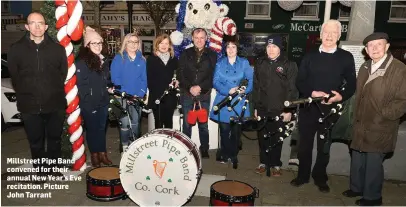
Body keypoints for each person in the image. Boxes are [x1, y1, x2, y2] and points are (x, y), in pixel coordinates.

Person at [292, 19, 356, 192]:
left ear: (339, 36)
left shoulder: (346, 57)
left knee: (324, 147)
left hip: (330, 109)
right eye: (326, 32)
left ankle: (320, 177)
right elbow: (300, 81)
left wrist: (339, 97)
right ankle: (302, 176)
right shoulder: (309, 56)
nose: (329, 36)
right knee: (304, 145)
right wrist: (312, 93)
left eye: (333, 32)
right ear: (320, 35)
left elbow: (352, 84)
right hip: (309, 108)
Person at [342, 33, 406, 206]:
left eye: (379, 44)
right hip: (360, 123)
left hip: (380, 125)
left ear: (387, 47)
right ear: (366, 49)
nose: (375, 48)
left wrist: (385, 114)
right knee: (357, 158)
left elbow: (403, 101)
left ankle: (373, 197)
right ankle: (356, 188)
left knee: (372, 164)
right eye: (371, 45)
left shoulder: (399, 69)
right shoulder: (365, 66)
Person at [8, 12, 67, 177]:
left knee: (54, 140)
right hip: (29, 106)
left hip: (54, 104)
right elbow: (15, 76)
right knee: (36, 142)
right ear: (27, 26)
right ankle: (41, 172)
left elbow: (62, 73)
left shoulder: (57, 49)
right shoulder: (16, 49)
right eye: (33, 23)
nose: (37, 26)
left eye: (40, 23)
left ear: (46, 26)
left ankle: (54, 169)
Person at [252, 34, 299, 176]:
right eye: (268, 46)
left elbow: (293, 89)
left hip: (280, 109)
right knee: (262, 136)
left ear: (280, 48)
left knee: (277, 137)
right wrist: (255, 107)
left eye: (274, 46)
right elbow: (256, 87)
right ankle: (263, 162)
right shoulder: (260, 63)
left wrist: (288, 109)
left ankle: (275, 164)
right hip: (262, 108)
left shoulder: (289, 65)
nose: (271, 49)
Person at [209, 40, 253, 168]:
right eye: (228, 47)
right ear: (225, 49)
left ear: (237, 49)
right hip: (223, 100)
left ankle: (233, 155)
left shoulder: (244, 63)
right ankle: (224, 153)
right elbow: (215, 81)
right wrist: (227, 90)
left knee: (236, 131)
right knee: (224, 130)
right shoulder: (220, 63)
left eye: (233, 47)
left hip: (238, 101)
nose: (231, 49)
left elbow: (251, 80)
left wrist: (246, 89)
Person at [177, 28, 217, 158]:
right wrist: (190, 87)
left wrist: (200, 86)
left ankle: (204, 148)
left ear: (206, 39)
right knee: (187, 124)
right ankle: (186, 148)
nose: (199, 40)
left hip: (204, 94)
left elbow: (213, 75)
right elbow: (180, 73)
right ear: (192, 39)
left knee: (203, 124)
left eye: (202, 37)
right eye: (196, 37)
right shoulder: (185, 53)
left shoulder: (212, 55)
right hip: (187, 94)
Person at [76, 27, 112, 167]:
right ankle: (95, 155)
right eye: (94, 43)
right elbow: (81, 86)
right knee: (92, 130)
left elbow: (105, 80)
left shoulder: (103, 61)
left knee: (101, 129)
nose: (98, 46)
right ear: (87, 45)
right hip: (89, 103)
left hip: (103, 101)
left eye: (99, 43)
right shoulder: (82, 62)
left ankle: (103, 154)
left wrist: (109, 86)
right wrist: (89, 104)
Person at [111, 33, 147, 152]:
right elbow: (116, 78)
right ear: (125, 43)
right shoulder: (119, 58)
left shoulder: (142, 60)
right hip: (123, 96)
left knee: (136, 123)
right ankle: (124, 147)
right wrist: (126, 94)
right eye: (130, 42)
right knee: (125, 123)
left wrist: (140, 94)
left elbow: (144, 79)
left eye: (135, 42)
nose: (133, 44)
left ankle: (135, 148)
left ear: (139, 44)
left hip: (137, 97)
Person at [147, 34, 179, 129]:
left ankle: (168, 142)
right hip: (157, 96)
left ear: (169, 45)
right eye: (161, 43)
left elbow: (178, 75)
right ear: (157, 44)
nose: (164, 45)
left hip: (171, 96)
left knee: (169, 123)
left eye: (166, 43)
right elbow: (149, 79)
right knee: (159, 123)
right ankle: (159, 143)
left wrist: (177, 80)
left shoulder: (174, 59)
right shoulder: (151, 59)